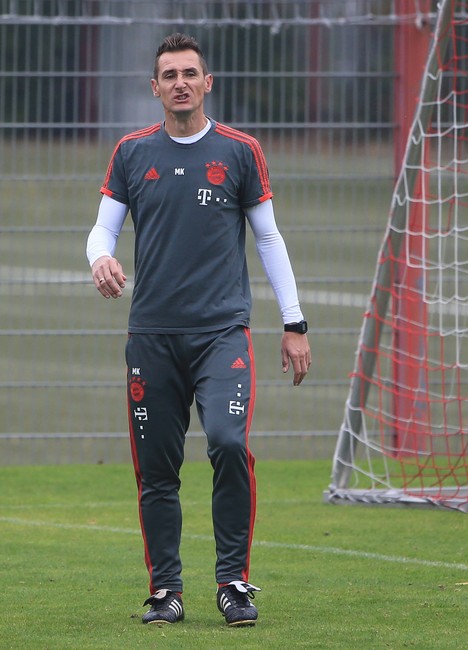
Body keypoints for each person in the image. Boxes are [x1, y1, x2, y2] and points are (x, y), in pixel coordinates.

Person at [85, 32, 311, 627]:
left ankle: (234, 583)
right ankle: (166, 592)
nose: (180, 82)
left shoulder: (240, 151)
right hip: (152, 338)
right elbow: (102, 231)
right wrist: (100, 259)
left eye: (190, 73)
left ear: (207, 83)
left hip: (221, 335)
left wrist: (294, 324)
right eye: (169, 74)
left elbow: (268, 237)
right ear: (154, 87)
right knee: (156, 471)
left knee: (229, 444)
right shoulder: (133, 152)